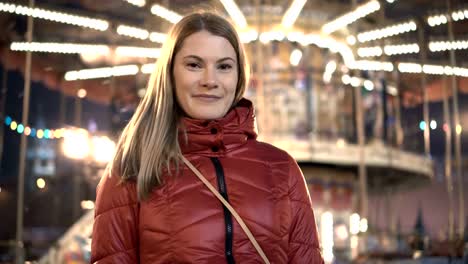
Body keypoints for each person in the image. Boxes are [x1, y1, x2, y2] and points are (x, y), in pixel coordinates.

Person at [91, 11, 324, 264]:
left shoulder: (282, 169)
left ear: (238, 77)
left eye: (224, 66)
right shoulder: (132, 168)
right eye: (194, 65)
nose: (210, 80)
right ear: (170, 73)